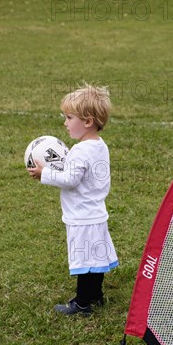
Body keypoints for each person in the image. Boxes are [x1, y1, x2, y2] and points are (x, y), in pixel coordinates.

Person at [28, 83, 118, 315]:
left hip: (81, 216)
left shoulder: (79, 150)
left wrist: (44, 173)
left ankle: (81, 304)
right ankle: (96, 296)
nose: (65, 123)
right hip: (96, 213)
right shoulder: (99, 146)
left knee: (84, 262)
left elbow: (69, 179)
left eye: (69, 117)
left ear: (87, 121)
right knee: (95, 258)